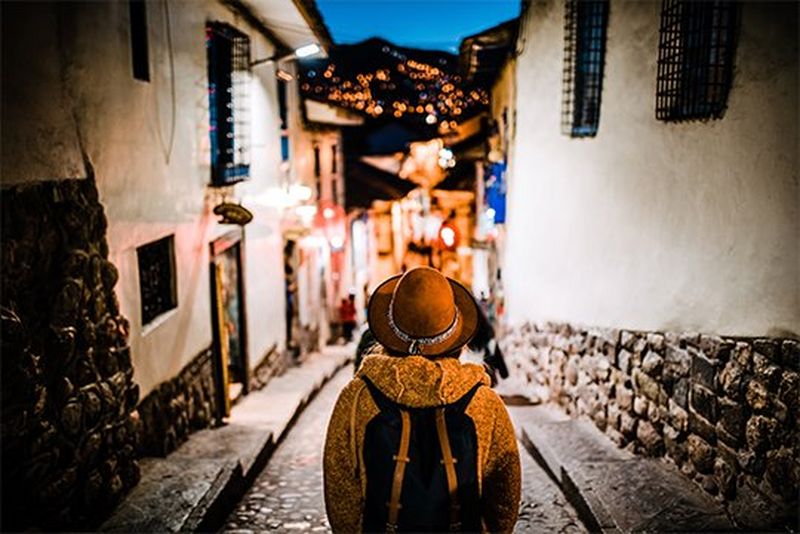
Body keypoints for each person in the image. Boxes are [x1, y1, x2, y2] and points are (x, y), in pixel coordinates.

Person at [323, 267, 521, 533]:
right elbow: (504, 497)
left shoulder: (356, 398)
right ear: (454, 336)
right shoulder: (485, 402)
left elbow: (340, 493)